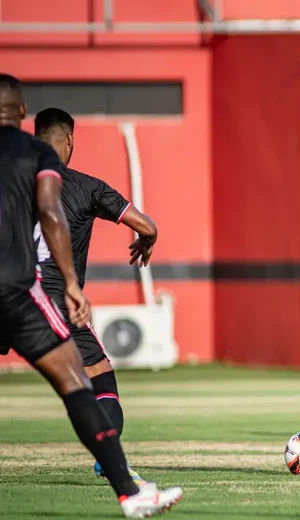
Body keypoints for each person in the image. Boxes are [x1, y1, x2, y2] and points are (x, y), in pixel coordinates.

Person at [0, 74, 180, 517]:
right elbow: (55, 214)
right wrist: (75, 282)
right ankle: (125, 484)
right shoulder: (44, 162)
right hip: (33, 294)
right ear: (20, 113)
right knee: (86, 381)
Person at [33, 107, 158, 485]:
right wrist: (147, 240)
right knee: (101, 382)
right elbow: (147, 226)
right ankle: (110, 462)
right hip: (56, 298)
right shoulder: (87, 187)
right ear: (69, 140)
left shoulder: (10, 182)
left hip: (9, 294)